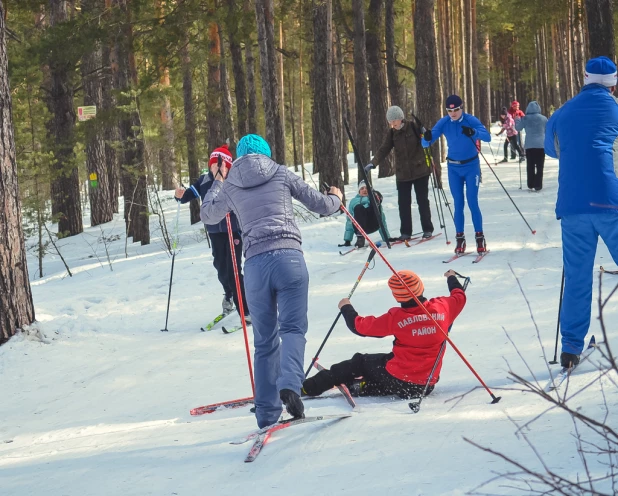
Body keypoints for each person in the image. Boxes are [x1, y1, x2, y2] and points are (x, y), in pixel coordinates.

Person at [200, 134, 343, 428]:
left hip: (255, 266)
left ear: (238, 158)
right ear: (266, 153)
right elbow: (321, 205)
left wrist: (217, 179)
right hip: (289, 259)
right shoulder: (280, 172)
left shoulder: (230, 185)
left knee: (264, 341)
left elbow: (208, 214)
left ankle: (266, 413)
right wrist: (337, 198)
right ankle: (290, 382)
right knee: (292, 328)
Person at [545, 56, 618, 368]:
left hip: (573, 205)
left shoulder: (562, 113)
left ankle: (571, 348)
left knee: (576, 277)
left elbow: (551, 149)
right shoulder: (615, 109)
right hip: (609, 202)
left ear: (585, 78)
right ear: (613, 84)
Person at [302, 269, 466, 399]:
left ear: (396, 296)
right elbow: (459, 295)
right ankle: (361, 386)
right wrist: (451, 277)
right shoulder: (444, 307)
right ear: (421, 287)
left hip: (398, 377)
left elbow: (359, 326)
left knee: (360, 362)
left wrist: (346, 307)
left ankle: (307, 388)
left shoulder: (396, 318)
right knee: (385, 365)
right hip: (425, 386)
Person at [175, 144, 250, 321]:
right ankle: (229, 294)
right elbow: (187, 196)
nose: (217, 168)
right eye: (214, 164)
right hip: (215, 232)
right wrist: (179, 195)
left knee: (234, 270)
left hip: (234, 231)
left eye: (222, 165)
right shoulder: (203, 181)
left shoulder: (233, 180)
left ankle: (246, 310)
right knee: (221, 268)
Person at [421, 94, 491, 254]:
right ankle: (460, 239)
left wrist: (473, 132)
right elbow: (426, 142)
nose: (453, 113)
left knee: (473, 201)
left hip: (471, 166)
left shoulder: (470, 120)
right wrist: (427, 137)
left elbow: (487, 136)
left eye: (456, 110)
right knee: (458, 203)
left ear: (461, 108)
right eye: (449, 110)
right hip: (453, 168)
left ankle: (479, 238)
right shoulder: (444, 122)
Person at [367, 105, 440, 240]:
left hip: (420, 171)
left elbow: (426, 139)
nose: (392, 124)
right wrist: (373, 162)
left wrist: (427, 134)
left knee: (422, 201)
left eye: (394, 121)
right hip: (403, 174)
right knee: (403, 203)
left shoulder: (413, 127)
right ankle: (406, 232)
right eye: (390, 122)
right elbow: (384, 149)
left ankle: (427, 229)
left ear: (400, 118)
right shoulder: (392, 133)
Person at [339, 180, 390, 248]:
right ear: (359, 191)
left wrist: (386, 237)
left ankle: (375, 201)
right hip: (360, 227)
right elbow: (349, 220)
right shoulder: (354, 201)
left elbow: (381, 218)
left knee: (374, 203)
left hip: (374, 223)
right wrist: (347, 240)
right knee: (358, 207)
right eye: (362, 188)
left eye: (366, 188)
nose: (364, 190)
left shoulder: (373, 199)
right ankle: (360, 238)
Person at [515, 101, 547, 191]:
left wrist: (517, 119)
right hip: (541, 145)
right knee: (540, 166)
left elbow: (518, 128)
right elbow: (547, 130)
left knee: (530, 165)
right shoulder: (543, 119)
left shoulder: (525, 119)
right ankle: (538, 184)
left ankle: (531, 183)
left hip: (529, 145)